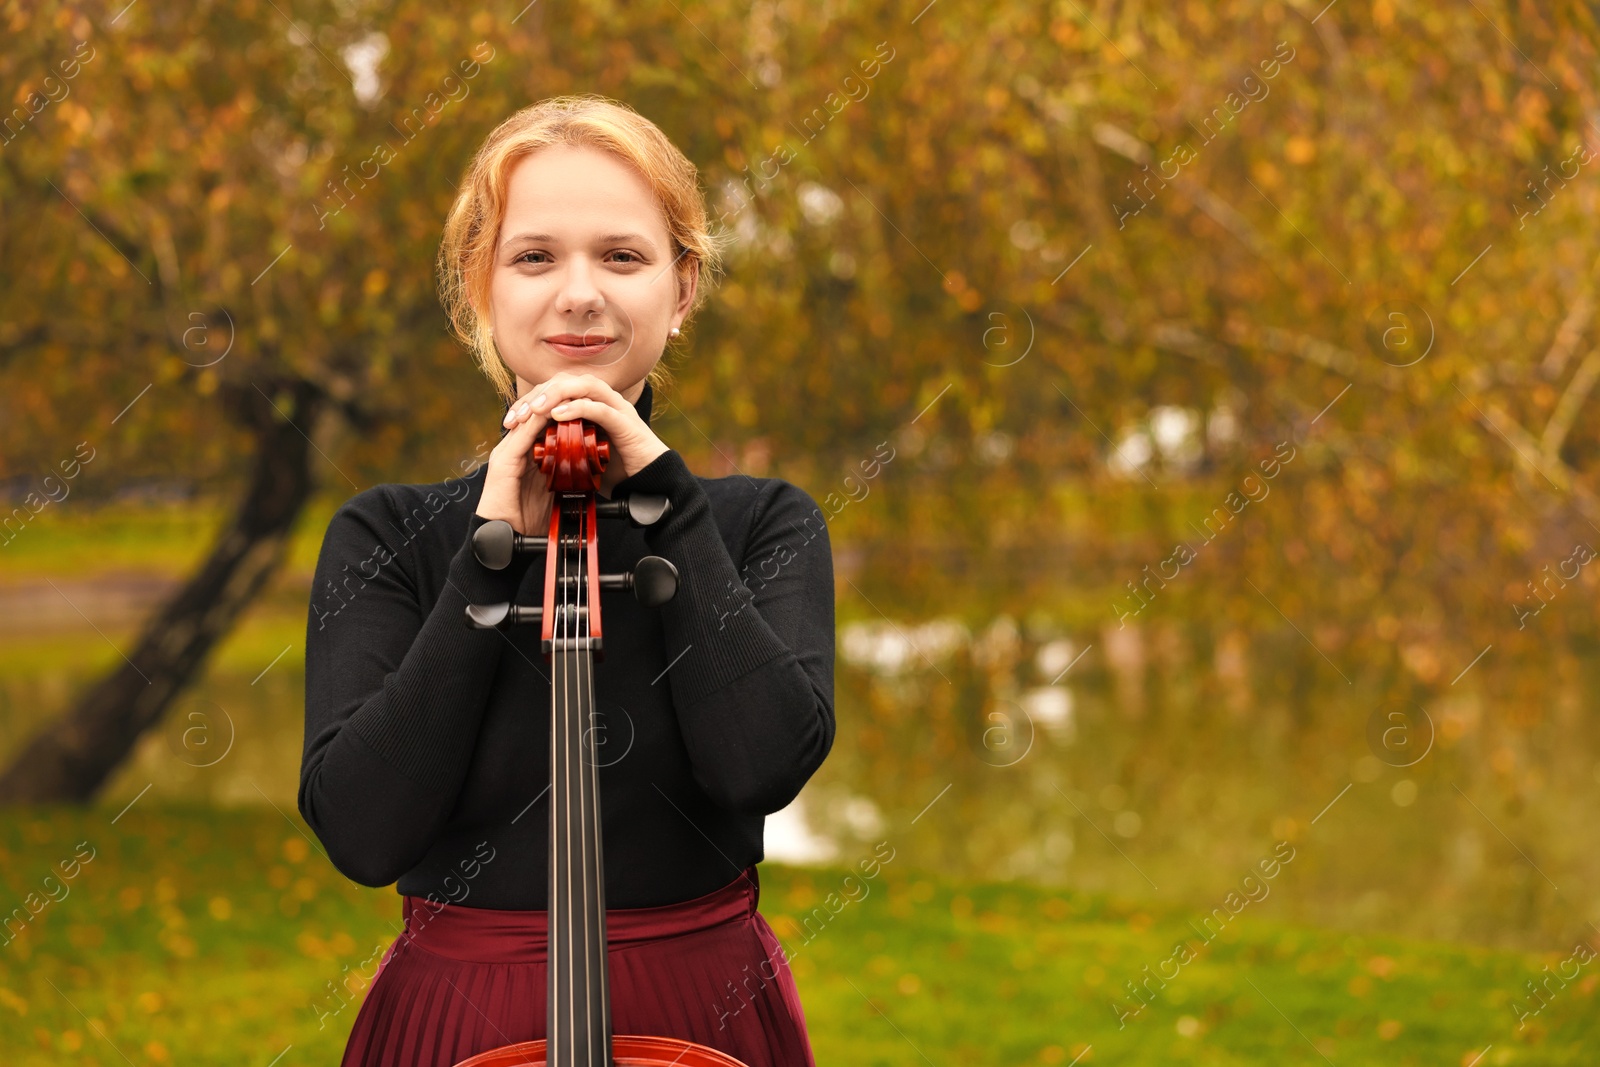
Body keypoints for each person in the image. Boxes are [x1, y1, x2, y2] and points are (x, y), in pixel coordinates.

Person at [298, 94, 836, 1067]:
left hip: (700, 1008)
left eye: (622, 256)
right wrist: (487, 552)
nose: (579, 293)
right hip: (460, 1013)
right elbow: (365, 833)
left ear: (682, 292)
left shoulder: (762, 522)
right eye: (534, 256)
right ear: (479, 292)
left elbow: (758, 765)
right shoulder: (386, 534)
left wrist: (668, 498)